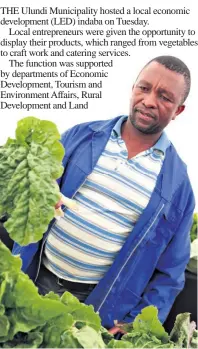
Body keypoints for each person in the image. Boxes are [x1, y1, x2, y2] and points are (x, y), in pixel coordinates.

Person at [12, 55, 195, 331]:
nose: (149, 100)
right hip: (33, 278)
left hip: (95, 307)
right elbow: (30, 188)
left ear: (178, 111)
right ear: (133, 88)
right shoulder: (80, 137)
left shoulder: (178, 186)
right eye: (144, 88)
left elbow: (171, 273)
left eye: (164, 97)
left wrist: (137, 324)